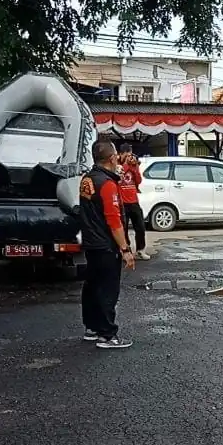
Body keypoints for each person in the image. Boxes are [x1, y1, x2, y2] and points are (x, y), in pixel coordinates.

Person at [78, 139, 136, 349]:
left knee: (92, 286)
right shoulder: (107, 184)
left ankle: (92, 328)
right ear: (112, 158)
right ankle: (108, 335)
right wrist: (125, 249)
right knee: (107, 289)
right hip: (105, 245)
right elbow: (114, 220)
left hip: (91, 243)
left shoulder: (88, 180)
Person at [116, 146, 150, 260]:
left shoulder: (133, 165)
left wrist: (134, 167)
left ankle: (141, 249)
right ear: (121, 154)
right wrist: (126, 164)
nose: (130, 157)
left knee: (140, 227)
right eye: (127, 155)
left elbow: (138, 181)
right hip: (122, 202)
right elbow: (118, 178)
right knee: (124, 228)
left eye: (131, 155)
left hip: (134, 201)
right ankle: (126, 249)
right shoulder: (117, 165)